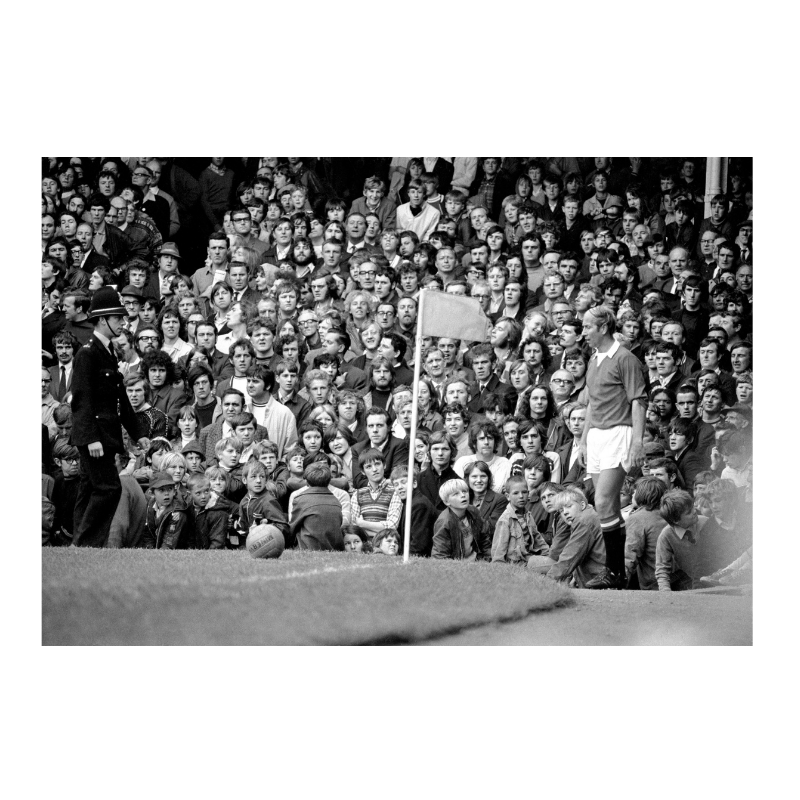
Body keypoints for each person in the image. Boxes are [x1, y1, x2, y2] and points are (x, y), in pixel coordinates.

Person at [70, 288, 150, 547]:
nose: (122, 322)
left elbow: (120, 400)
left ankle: (78, 545)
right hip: (95, 437)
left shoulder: (107, 351)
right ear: (103, 320)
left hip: (103, 436)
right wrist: (92, 438)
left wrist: (139, 434)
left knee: (90, 488)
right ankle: (87, 543)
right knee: (108, 489)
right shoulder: (88, 353)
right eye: (117, 317)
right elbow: (82, 399)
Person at [577, 306, 647, 589]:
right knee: (607, 506)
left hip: (619, 433)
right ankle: (617, 573)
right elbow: (592, 402)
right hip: (595, 436)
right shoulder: (594, 360)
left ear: (603, 327)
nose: (583, 333)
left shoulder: (625, 359)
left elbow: (639, 401)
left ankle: (614, 571)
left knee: (604, 501)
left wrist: (638, 442)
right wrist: (582, 440)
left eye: (587, 327)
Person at [546, 487, 608, 587]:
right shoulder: (590, 515)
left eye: (569, 506)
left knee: (532, 564)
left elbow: (569, 556)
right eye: (561, 510)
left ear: (582, 505)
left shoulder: (584, 521)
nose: (565, 512)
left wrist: (546, 581)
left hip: (599, 582)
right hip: (598, 578)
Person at [655, 489, 711, 592]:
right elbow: (662, 570)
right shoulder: (666, 536)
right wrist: (665, 592)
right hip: (692, 581)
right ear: (676, 520)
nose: (694, 511)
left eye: (693, 507)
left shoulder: (706, 523)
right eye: (688, 512)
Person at [492, 475, 552, 568]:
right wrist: (500, 567)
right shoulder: (505, 520)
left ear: (528, 494)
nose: (521, 496)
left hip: (529, 557)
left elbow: (538, 538)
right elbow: (498, 550)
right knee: (554, 565)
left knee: (556, 561)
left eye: (524, 492)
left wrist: (549, 554)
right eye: (516, 493)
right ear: (508, 496)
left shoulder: (527, 515)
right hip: (516, 563)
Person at [432, 479, 493, 561]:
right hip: (456, 566)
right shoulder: (444, 521)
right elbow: (440, 554)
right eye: (456, 494)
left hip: (477, 562)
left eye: (464, 491)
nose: (463, 495)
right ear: (446, 502)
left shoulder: (473, 511)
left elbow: (484, 538)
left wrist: (489, 559)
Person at [624, 477, 668, 590]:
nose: (632, 495)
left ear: (640, 495)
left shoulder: (637, 519)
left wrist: (619, 585)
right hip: (679, 580)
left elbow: (629, 557)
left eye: (634, 492)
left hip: (654, 584)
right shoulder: (670, 513)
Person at [290, 462, 345, 551]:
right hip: (333, 549)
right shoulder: (336, 501)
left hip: (308, 549)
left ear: (306, 481)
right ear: (329, 480)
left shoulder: (301, 499)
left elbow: (293, 527)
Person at [351, 448, 402, 540]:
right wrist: (381, 529)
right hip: (364, 544)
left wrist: (363, 524)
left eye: (377, 464)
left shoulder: (395, 491)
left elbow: (392, 526)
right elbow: (355, 528)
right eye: (368, 466)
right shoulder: (357, 494)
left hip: (386, 544)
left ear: (384, 465)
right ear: (363, 471)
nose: (374, 469)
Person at [392, 465, 437, 558]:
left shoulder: (419, 505)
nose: (399, 487)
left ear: (414, 483)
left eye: (403, 482)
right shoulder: (409, 502)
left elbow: (419, 544)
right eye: (396, 484)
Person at [186, 473, 236, 550]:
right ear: (189, 494)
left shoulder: (219, 513)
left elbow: (218, 543)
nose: (203, 496)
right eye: (198, 493)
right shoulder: (188, 508)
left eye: (206, 491)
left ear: (210, 489)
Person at [142, 472, 190, 550]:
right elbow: (148, 534)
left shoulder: (177, 513)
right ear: (152, 493)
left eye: (170, 489)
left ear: (174, 491)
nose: (167, 493)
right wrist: (150, 550)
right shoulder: (150, 506)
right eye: (161, 490)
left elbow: (169, 543)